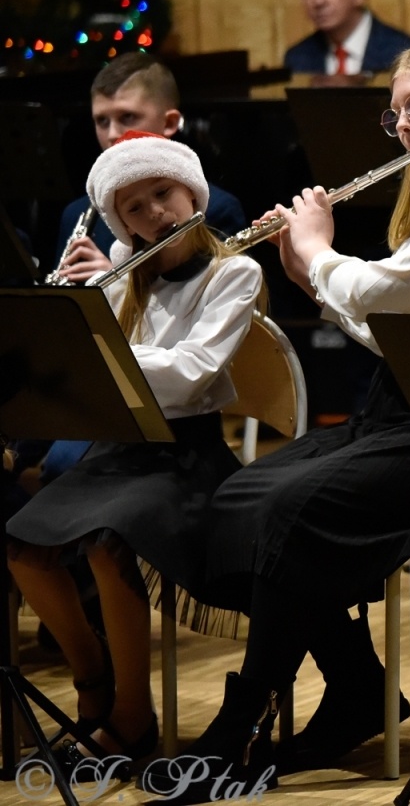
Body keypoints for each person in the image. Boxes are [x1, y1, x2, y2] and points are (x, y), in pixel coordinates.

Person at [162, 39, 410, 800]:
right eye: (398, 111)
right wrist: (311, 275)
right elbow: (393, 329)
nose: (406, 125)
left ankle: (246, 712)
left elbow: (377, 295)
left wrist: (317, 252)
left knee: (294, 509)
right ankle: (354, 683)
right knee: (244, 497)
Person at [8, 132, 263, 766]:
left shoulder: (235, 271)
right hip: (121, 450)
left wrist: (101, 343)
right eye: (135, 208)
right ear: (121, 220)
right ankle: (94, 682)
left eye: (163, 194)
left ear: (191, 192)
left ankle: (132, 714)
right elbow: (98, 376)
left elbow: (192, 370)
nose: (156, 214)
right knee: (22, 547)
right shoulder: (122, 270)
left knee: (108, 544)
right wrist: (72, 319)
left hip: (189, 457)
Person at [53, 55, 247, 282]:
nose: (113, 134)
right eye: (102, 121)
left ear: (170, 123)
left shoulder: (215, 209)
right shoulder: (75, 214)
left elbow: (212, 302)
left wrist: (113, 280)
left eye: (127, 117)